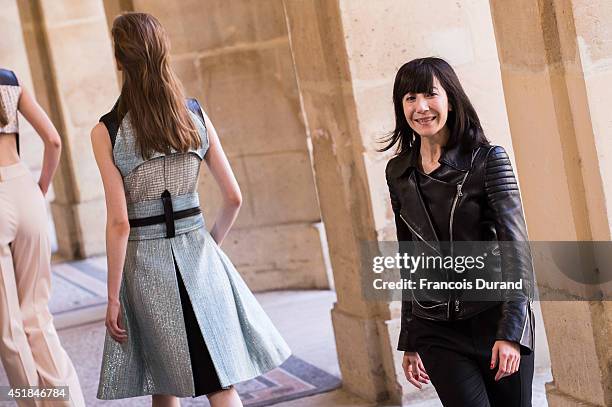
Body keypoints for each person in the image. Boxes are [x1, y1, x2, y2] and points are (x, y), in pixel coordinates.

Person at [92, 13, 291, 407]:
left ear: (119, 60)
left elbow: (119, 223)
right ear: (163, 53)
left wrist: (113, 296)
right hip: (199, 256)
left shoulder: (108, 131)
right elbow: (233, 196)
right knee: (220, 379)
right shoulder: (194, 115)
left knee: (161, 379)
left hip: (146, 269)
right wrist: (209, 245)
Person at [383, 57, 535, 407]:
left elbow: (517, 251)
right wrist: (410, 337)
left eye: (429, 94)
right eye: (409, 98)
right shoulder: (398, 172)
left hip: (493, 317)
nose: (420, 107)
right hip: (435, 330)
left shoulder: (487, 160)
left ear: (450, 97)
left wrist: (511, 333)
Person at [0, 69, 85, 406]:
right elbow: (54, 140)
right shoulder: (10, 80)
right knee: (37, 312)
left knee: (9, 329)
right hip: (25, 189)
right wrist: (41, 189)